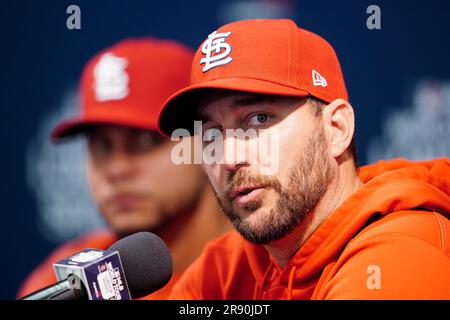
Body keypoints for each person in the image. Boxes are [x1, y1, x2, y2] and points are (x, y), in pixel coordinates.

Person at [156, 19, 450, 299]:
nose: (230, 158)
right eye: (211, 135)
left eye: (259, 119)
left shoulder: (398, 258)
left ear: (336, 129)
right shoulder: (230, 266)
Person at [18, 38, 230, 299]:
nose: (117, 169)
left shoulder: (266, 268)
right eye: (102, 147)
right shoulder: (68, 284)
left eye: (146, 141)